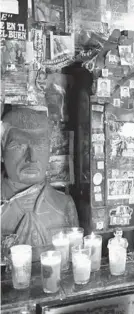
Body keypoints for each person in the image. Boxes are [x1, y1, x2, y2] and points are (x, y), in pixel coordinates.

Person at [1, 107, 79, 260]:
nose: (32, 158)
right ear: (1, 150)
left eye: (40, 146)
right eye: (18, 146)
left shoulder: (64, 205)